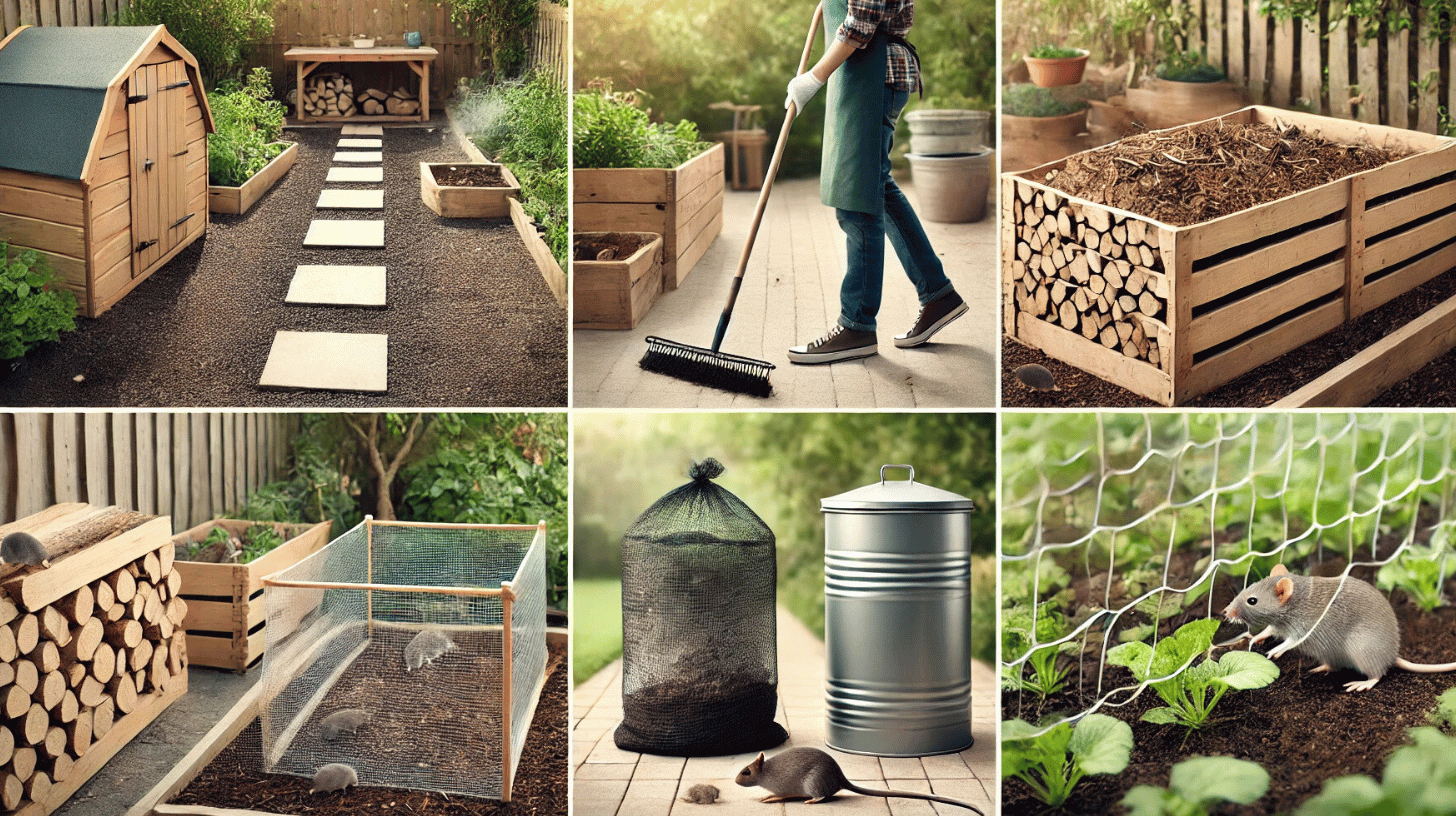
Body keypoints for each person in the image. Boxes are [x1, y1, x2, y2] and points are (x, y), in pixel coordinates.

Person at [783, 0, 967, 364]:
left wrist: (813, 78)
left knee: (856, 199)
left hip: (873, 74)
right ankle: (938, 295)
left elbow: (860, 24)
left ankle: (857, 326)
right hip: (863, 74)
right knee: (876, 190)